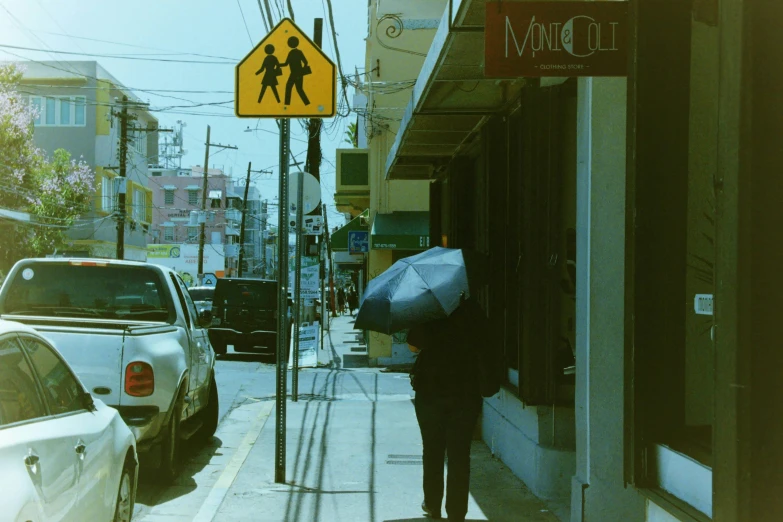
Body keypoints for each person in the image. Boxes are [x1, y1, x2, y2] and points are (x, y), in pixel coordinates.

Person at [407, 294, 487, 522]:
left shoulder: (429, 309)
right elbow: (486, 342)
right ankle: (457, 512)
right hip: (466, 392)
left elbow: (413, 346)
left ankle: (433, 505)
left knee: (432, 450)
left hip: (431, 393)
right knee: (460, 454)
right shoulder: (473, 310)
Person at [280, 36, 310, 106]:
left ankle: (287, 104)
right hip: (296, 73)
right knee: (298, 89)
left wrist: (278, 65)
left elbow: (286, 64)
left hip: (295, 73)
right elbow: (305, 62)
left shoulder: (294, 52)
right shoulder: (296, 52)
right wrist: (302, 71)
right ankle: (307, 103)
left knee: (291, 87)